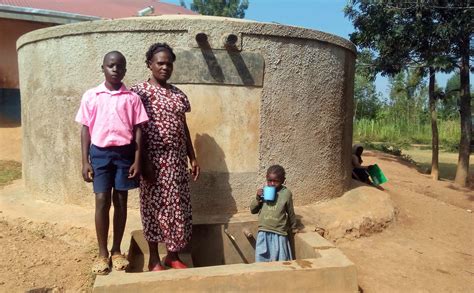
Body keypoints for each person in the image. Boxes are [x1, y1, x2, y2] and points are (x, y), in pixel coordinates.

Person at [75, 51, 149, 275]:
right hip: (99, 154)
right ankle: (101, 253)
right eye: (111, 66)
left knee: (121, 200)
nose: (115, 70)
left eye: (120, 66)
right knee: (101, 199)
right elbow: (85, 129)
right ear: (103, 68)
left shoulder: (132, 98)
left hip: (125, 155)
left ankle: (117, 251)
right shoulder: (92, 96)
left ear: (125, 70)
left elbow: (138, 130)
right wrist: (85, 161)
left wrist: (136, 160)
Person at [130, 43, 200, 272]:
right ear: (149, 64)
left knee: (177, 208)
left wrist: (192, 156)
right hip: (152, 162)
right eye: (160, 62)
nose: (165, 67)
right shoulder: (138, 93)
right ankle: (153, 259)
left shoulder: (179, 95)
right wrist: (141, 161)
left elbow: (183, 126)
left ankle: (173, 255)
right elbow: (132, 129)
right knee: (153, 209)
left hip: (176, 162)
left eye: (169, 63)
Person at [250, 165, 297, 262]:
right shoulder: (264, 192)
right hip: (263, 231)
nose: (272, 183)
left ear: (283, 180)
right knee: (262, 260)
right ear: (266, 179)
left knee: (281, 260)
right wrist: (258, 198)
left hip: (279, 233)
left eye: (275, 181)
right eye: (269, 181)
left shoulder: (286, 193)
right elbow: (253, 210)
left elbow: (290, 211)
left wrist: (294, 227)